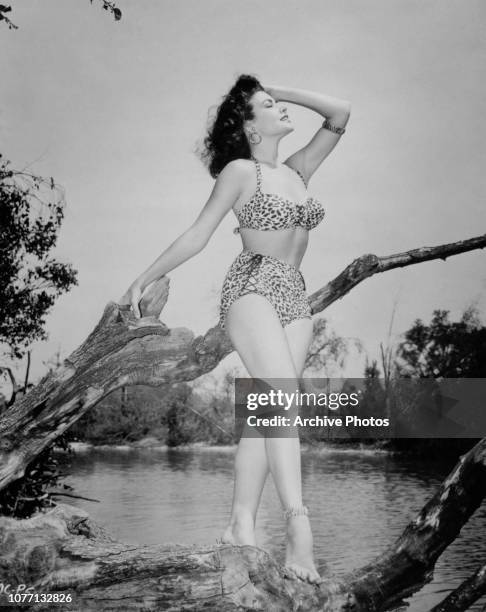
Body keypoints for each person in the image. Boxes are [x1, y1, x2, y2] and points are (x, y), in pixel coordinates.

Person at [119, 74, 350, 584]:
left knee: (267, 413)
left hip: (296, 296)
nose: (281, 109)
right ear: (248, 126)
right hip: (253, 288)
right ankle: (298, 529)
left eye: (277, 103)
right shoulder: (241, 171)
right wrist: (144, 277)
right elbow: (200, 233)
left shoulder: (298, 170)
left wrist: (280, 92)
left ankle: (239, 525)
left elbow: (340, 114)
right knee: (283, 399)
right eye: (267, 106)